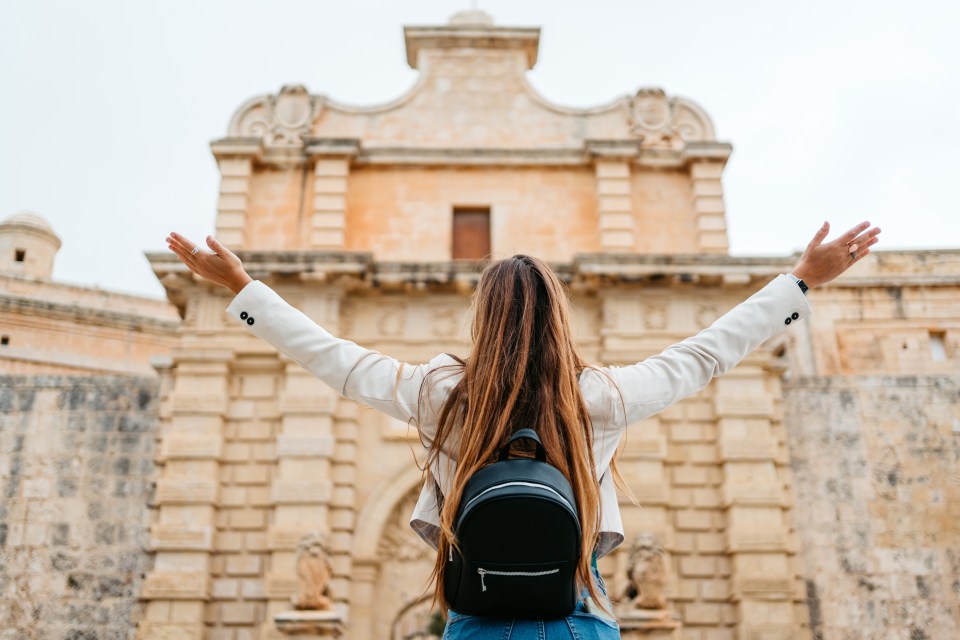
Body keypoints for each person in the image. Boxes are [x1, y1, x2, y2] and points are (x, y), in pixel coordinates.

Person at [166, 220, 880, 639]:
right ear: (561, 319)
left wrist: (243, 290)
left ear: (483, 319)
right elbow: (706, 352)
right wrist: (800, 281)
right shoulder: (597, 397)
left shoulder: (443, 394)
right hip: (578, 614)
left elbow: (336, 361)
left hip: (474, 617)